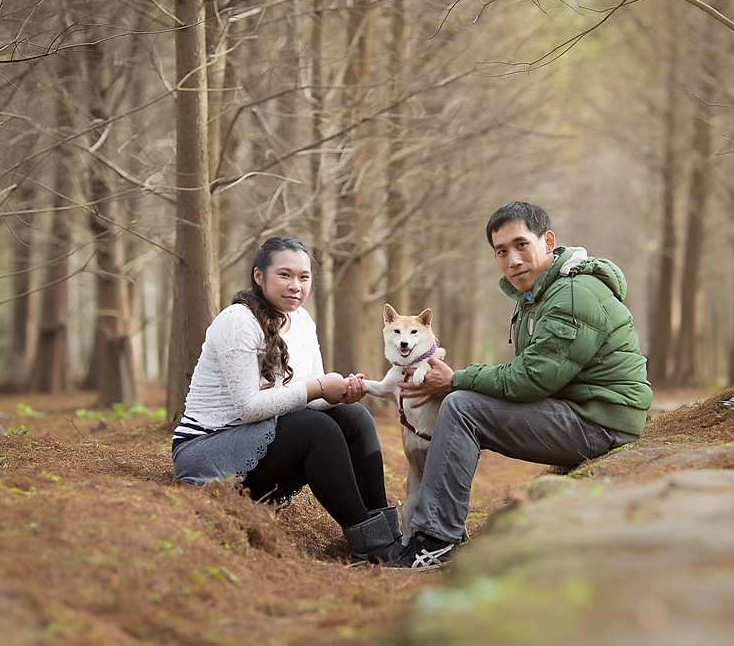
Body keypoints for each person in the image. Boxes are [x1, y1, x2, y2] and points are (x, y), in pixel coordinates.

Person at [385, 202, 652, 570]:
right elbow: (534, 372)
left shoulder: (573, 295)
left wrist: (456, 379)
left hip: (599, 423)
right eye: (502, 251)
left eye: (521, 245)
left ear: (548, 241)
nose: (513, 260)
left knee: (462, 406)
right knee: (464, 400)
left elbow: (533, 378)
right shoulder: (540, 295)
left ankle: (436, 538)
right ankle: (438, 529)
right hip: (582, 410)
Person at [171, 236, 400, 564]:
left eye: (304, 277)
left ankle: (389, 536)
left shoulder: (303, 321)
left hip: (263, 435)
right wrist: (319, 387)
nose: (296, 286)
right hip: (209, 449)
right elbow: (249, 407)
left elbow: (311, 399)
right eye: (285, 275)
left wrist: (341, 394)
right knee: (316, 429)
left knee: (354, 416)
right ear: (258, 276)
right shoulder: (238, 321)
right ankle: (370, 547)